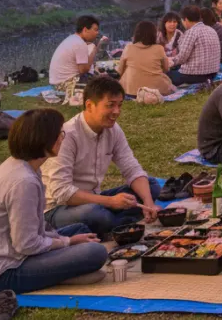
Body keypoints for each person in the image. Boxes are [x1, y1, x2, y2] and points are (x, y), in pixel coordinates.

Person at [0, 109, 108, 296]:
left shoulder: (25, 167)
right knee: (95, 252)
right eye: (59, 134)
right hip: (0, 273)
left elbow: (34, 230)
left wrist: (67, 240)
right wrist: (67, 242)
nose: (63, 138)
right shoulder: (23, 182)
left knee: (81, 230)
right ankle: (61, 276)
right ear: (46, 140)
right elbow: (26, 245)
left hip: (15, 252)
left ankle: (61, 271)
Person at [43, 77, 160, 236]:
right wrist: (111, 202)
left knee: (151, 186)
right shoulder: (68, 135)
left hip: (93, 198)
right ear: (89, 105)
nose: (117, 112)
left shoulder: (113, 130)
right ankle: (114, 224)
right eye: (110, 105)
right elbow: (62, 193)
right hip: (57, 209)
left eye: (119, 105)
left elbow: (131, 168)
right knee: (96, 215)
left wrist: (149, 203)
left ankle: (113, 224)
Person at [118, 21, 175, 97]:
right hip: (157, 90)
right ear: (154, 34)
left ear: (136, 34)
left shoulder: (128, 47)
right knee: (169, 83)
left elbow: (119, 71)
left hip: (130, 91)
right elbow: (166, 69)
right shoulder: (159, 49)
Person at [169, 6, 221, 85]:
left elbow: (181, 58)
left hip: (194, 76)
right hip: (212, 74)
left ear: (185, 19)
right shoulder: (211, 30)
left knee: (165, 75)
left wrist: (169, 61)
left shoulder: (191, 32)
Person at [48, 15, 100, 94]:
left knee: (98, 77)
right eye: (95, 30)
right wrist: (94, 50)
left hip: (56, 84)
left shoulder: (72, 38)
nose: (97, 33)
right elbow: (84, 70)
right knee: (102, 84)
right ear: (85, 30)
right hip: (65, 85)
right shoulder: (80, 44)